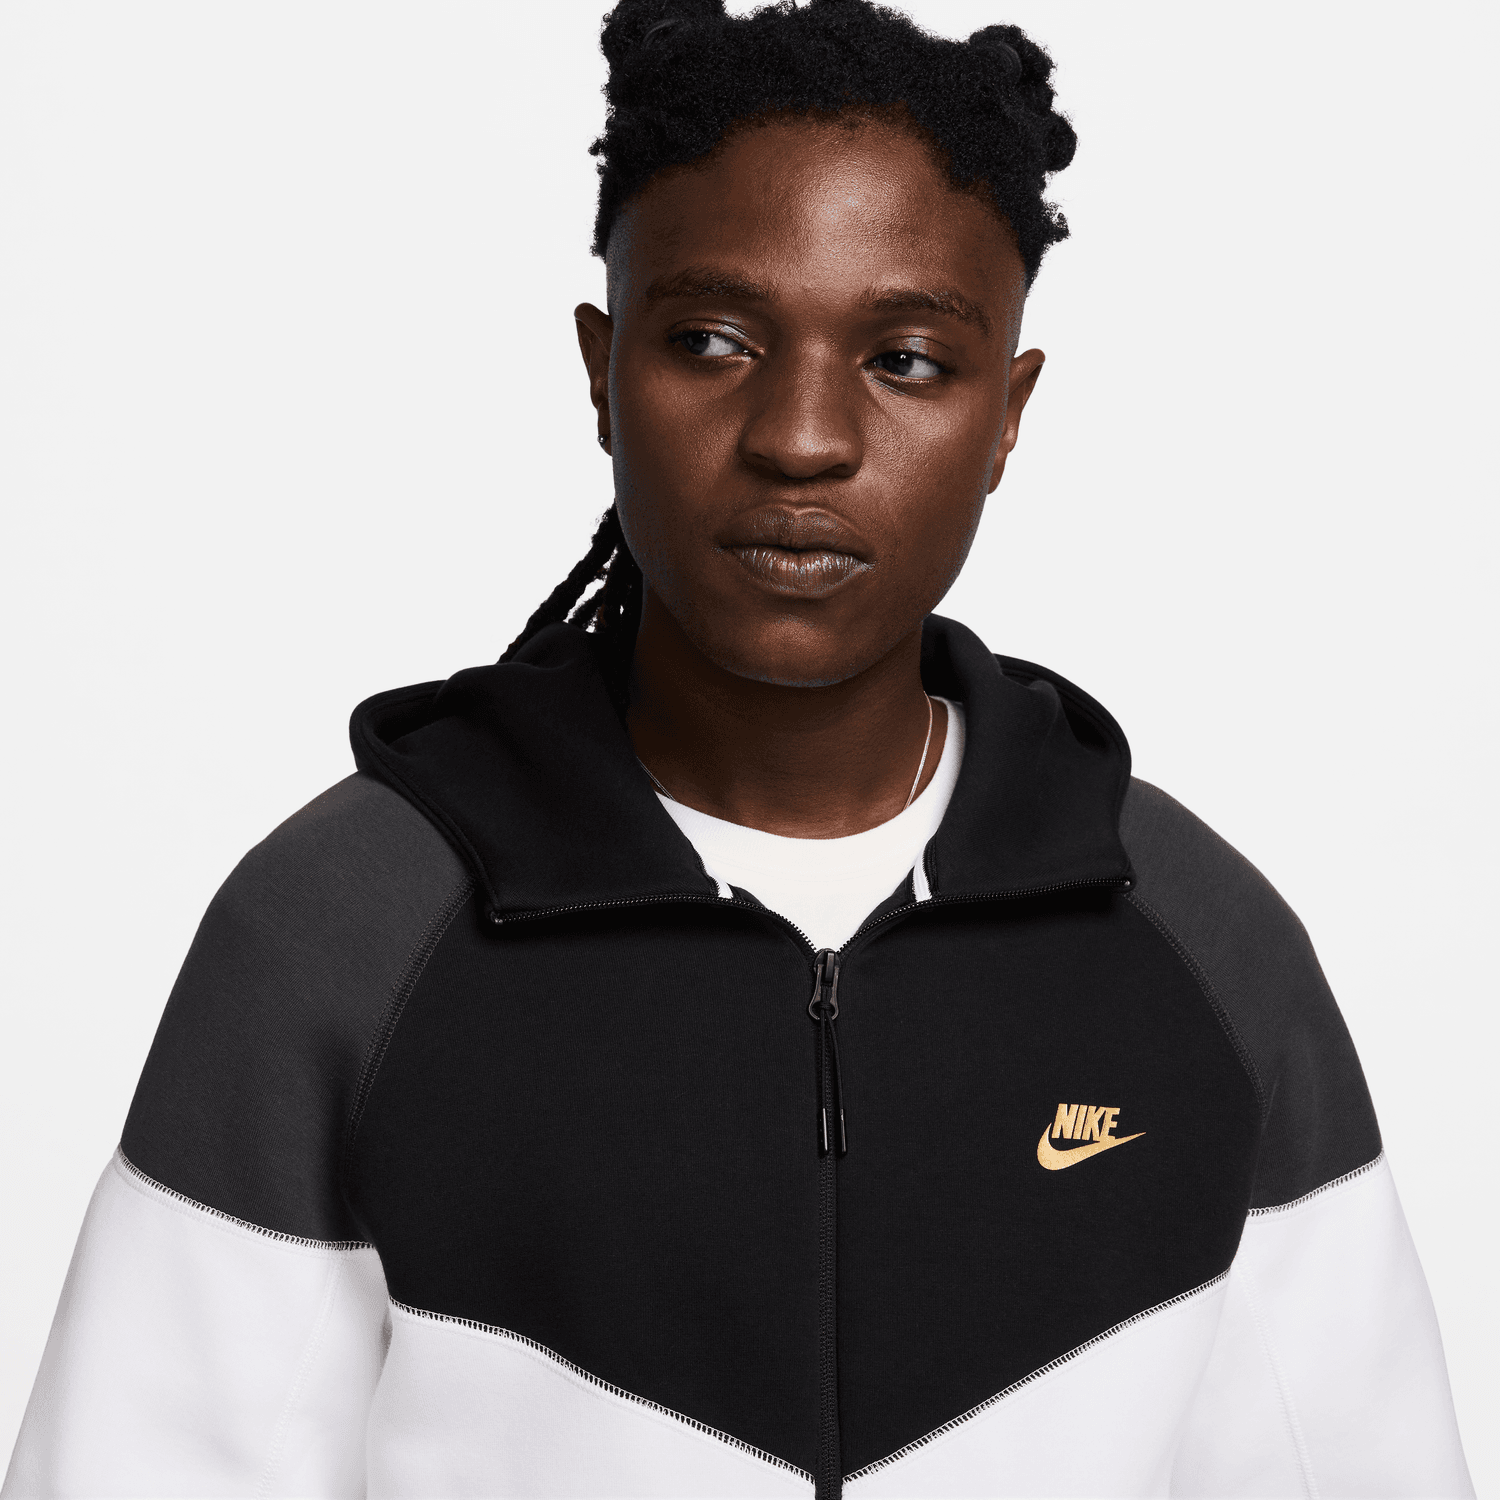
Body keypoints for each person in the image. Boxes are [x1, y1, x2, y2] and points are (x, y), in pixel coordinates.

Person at [3, 1, 1474, 1496]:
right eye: (711, 341)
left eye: (907, 360)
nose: (801, 437)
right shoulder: (341, 939)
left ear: (1008, 413)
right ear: (602, 370)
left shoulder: (1202, 952)